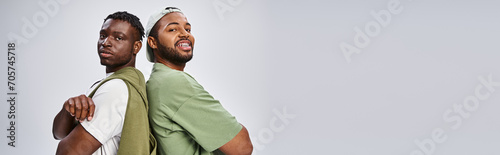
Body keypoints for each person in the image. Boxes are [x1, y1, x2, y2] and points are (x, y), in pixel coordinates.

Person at [145, 7, 253, 155]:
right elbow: (242, 147)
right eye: (172, 30)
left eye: (188, 29)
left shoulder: (156, 81)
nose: (184, 34)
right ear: (153, 42)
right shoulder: (174, 82)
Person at [52, 11, 156, 155]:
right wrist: (68, 109)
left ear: (136, 47)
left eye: (119, 38)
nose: (105, 42)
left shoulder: (116, 89)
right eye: (103, 35)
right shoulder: (111, 83)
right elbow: (59, 134)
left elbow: (68, 151)